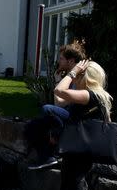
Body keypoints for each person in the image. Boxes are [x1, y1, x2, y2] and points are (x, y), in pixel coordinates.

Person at [50, 60, 112, 190]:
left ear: (86, 76)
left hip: (78, 154)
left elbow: (60, 92)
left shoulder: (89, 94)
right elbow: (59, 100)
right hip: (81, 152)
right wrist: (60, 79)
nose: (75, 77)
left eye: (79, 74)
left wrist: (71, 73)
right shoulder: (93, 96)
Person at [26, 42, 86, 170]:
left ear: (70, 61)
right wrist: (58, 80)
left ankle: (55, 140)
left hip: (77, 119)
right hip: (68, 115)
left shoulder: (80, 78)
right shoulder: (68, 78)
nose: (58, 61)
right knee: (31, 127)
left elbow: (60, 104)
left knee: (46, 109)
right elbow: (59, 103)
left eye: (61, 58)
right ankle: (47, 158)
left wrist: (55, 132)